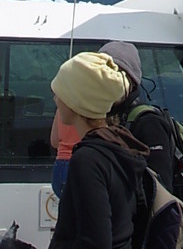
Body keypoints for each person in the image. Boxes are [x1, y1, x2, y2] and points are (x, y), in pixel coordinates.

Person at [48, 51, 149, 249]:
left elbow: (94, 241)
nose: (55, 100)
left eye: (60, 93)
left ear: (76, 102)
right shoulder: (120, 146)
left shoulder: (87, 160)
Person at [100, 40, 175, 192]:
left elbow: (161, 188)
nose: (106, 82)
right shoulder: (105, 115)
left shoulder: (148, 122)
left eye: (113, 75)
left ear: (130, 80)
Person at [50, 108, 80, 198]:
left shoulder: (62, 104)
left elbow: (54, 142)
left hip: (60, 167)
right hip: (82, 163)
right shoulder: (92, 105)